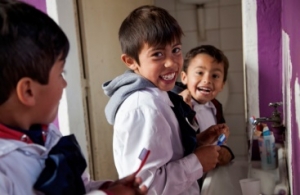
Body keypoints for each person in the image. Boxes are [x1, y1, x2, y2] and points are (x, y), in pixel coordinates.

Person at [0, 1, 147, 195]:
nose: (64, 83)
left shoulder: (48, 136)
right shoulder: (4, 170)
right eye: (61, 73)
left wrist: (104, 188)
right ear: (28, 92)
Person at [102, 5, 228, 194]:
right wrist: (197, 162)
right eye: (157, 54)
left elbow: (167, 154)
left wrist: (197, 142)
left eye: (176, 50)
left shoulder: (159, 96)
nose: (171, 63)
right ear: (131, 61)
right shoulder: (143, 108)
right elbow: (145, 187)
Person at [173, 45, 235, 166]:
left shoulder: (216, 107)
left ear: (222, 85)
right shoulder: (179, 105)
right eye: (200, 73)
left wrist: (224, 147)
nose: (207, 80)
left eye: (215, 76)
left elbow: (221, 145)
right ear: (184, 77)